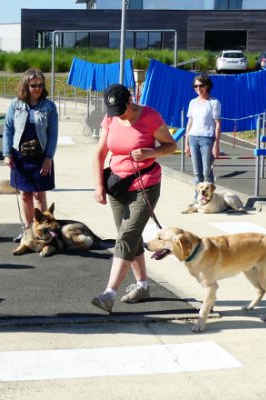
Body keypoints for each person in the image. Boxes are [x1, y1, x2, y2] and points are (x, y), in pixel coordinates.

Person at [91, 83, 176, 313]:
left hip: (145, 185)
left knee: (126, 237)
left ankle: (109, 294)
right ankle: (142, 286)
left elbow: (171, 145)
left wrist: (150, 153)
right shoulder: (110, 119)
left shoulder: (149, 116)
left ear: (131, 100)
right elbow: (100, 154)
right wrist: (99, 186)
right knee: (130, 237)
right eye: (115, 112)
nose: (120, 115)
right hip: (117, 186)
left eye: (122, 110)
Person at [2, 68, 58, 241]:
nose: (38, 88)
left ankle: (43, 231)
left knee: (39, 195)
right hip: (20, 156)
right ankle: (28, 231)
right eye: (34, 85)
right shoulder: (15, 104)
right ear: (26, 85)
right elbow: (8, 129)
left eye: (41, 85)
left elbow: (53, 134)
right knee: (25, 194)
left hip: (41, 157)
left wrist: (48, 158)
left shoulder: (49, 107)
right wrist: (7, 153)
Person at [185, 73, 221, 187]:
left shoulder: (214, 102)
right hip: (193, 138)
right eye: (195, 86)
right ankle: (198, 199)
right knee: (197, 173)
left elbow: (218, 124)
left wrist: (216, 144)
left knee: (207, 171)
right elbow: (189, 122)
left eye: (201, 85)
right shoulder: (192, 102)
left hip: (207, 138)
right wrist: (186, 143)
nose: (198, 88)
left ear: (207, 86)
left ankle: (210, 200)